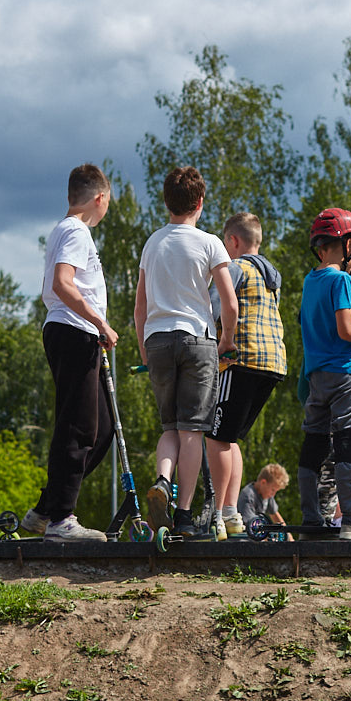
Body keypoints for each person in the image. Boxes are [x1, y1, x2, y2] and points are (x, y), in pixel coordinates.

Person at [137, 166, 238, 539]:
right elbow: (229, 302)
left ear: (167, 203)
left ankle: (163, 481)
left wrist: (144, 349)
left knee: (169, 427)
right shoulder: (209, 242)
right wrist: (227, 339)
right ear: (200, 202)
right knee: (192, 430)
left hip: (158, 340)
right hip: (197, 339)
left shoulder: (153, 243)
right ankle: (182, 516)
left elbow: (140, 306)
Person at [23, 163, 119, 543]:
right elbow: (63, 284)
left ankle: (47, 508)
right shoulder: (77, 231)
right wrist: (100, 322)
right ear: (100, 198)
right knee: (78, 426)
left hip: (73, 332)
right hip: (75, 331)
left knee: (102, 429)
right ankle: (62, 518)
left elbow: (54, 287)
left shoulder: (65, 230)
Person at [296, 208, 351, 540]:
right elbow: (347, 330)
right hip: (346, 371)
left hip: (316, 375)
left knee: (315, 443)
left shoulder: (310, 281)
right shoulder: (342, 281)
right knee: (348, 442)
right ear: (348, 244)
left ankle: (311, 519)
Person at [205, 212, 286, 540]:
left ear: (233, 241)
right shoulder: (272, 276)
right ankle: (231, 511)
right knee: (230, 437)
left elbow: (214, 308)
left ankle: (216, 513)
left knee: (216, 436)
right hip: (273, 362)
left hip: (242, 358)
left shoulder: (235, 268)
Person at [238, 463, 291, 536]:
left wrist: (288, 535)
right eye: (273, 490)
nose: (273, 494)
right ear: (263, 482)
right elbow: (251, 526)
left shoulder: (266, 494)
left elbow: (275, 515)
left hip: (258, 534)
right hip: (245, 537)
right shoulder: (248, 496)